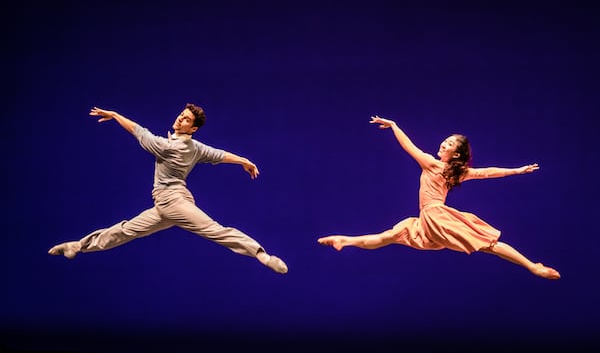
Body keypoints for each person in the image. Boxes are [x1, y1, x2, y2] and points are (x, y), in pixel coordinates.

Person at [49, 104, 288, 274]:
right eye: (181, 115)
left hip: (174, 202)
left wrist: (114, 115)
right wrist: (244, 160)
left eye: (186, 119)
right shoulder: (194, 147)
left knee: (214, 230)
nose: (180, 119)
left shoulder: (169, 147)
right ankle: (78, 245)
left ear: (193, 128)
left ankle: (262, 256)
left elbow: (139, 131)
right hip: (165, 206)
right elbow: (219, 154)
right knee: (126, 230)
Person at [318, 115, 560, 280]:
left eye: (450, 144)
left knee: (488, 245)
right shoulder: (454, 171)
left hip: (436, 216)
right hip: (426, 220)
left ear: (456, 154)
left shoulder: (434, 165)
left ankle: (533, 267)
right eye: (446, 141)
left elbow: (410, 147)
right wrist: (517, 170)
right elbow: (487, 172)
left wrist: (394, 126)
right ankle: (344, 240)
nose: (444, 144)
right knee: (389, 236)